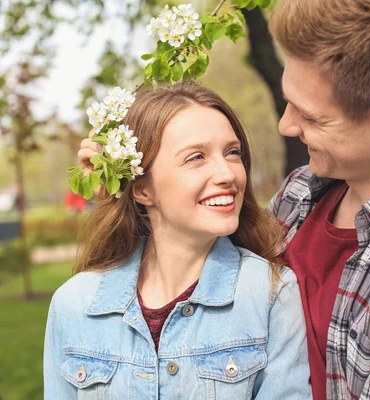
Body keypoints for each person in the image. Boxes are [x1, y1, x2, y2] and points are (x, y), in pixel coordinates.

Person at [79, 0, 370, 398]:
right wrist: (128, 189)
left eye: (310, 114)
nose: (286, 125)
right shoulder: (304, 191)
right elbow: (194, 274)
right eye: (288, 102)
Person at [45, 81, 311, 399]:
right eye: (196, 157)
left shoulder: (271, 293)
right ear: (142, 189)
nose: (228, 174)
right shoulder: (72, 305)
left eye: (233, 152)